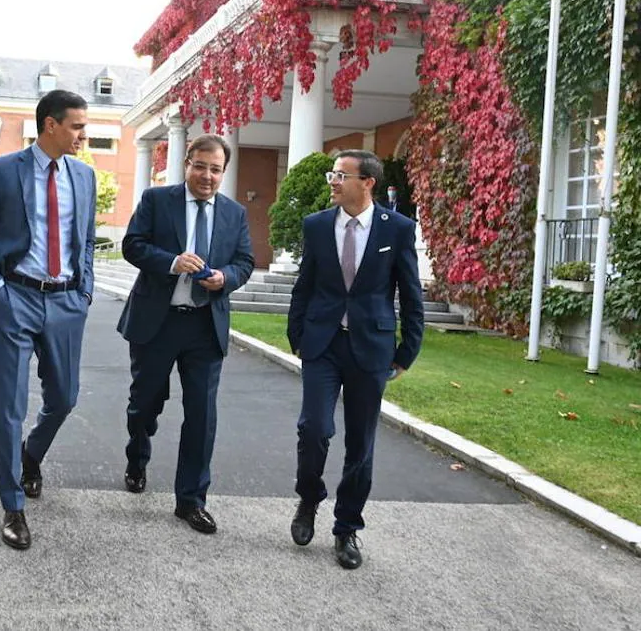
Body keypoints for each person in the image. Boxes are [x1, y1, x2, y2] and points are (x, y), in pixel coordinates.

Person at [0, 89, 95, 550]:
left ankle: (30, 456)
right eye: (77, 126)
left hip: (65, 303)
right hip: (15, 296)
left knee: (64, 398)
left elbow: (86, 241)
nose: (84, 134)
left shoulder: (85, 176)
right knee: (9, 405)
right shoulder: (3, 170)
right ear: (51, 125)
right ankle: (12, 504)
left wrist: (85, 290)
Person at [286, 149, 424, 570]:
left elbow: (411, 293)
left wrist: (407, 351)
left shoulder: (398, 229)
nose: (332, 180)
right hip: (322, 344)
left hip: (371, 347)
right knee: (314, 427)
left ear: (367, 183)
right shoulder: (317, 225)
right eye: (333, 173)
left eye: (340, 175)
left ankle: (347, 528)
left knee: (361, 444)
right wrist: (297, 335)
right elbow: (304, 284)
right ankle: (308, 499)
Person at [116, 134, 254, 534]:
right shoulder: (157, 201)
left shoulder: (234, 214)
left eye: (216, 169)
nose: (207, 176)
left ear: (223, 172)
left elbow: (245, 261)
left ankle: (191, 500)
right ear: (186, 164)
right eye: (201, 166)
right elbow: (132, 246)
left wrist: (225, 278)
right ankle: (137, 455)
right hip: (156, 322)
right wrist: (172, 262)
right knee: (144, 404)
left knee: (202, 415)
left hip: (204, 325)